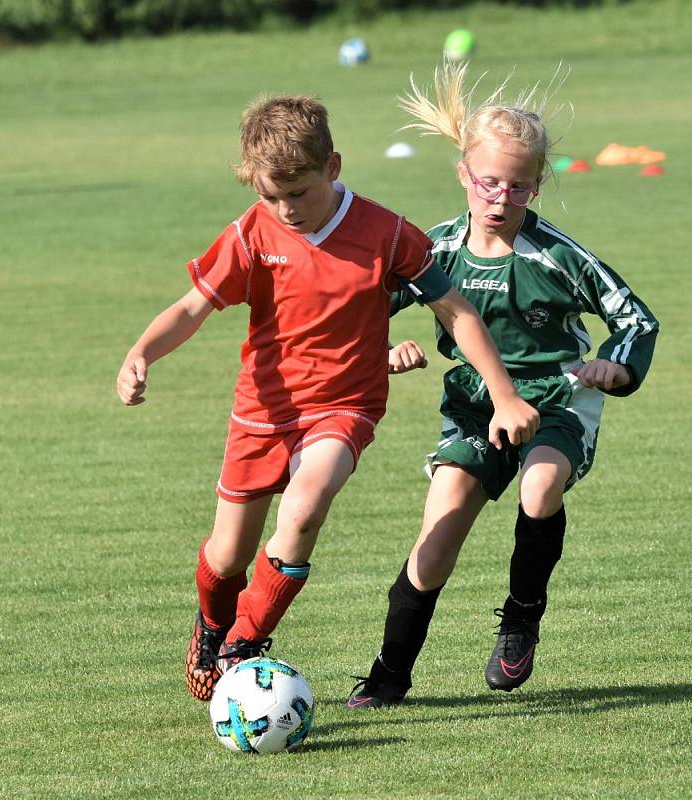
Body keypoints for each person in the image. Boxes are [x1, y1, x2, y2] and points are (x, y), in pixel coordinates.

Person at [116, 93, 539, 702]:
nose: (287, 209)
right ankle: (213, 623)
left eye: (300, 194)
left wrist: (503, 394)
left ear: (333, 167)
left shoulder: (387, 233)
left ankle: (245, 641)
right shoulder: (250, 233)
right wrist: (141, 353)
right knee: (228, 552)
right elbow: (192, 306)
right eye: (271, 196)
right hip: (263, 410)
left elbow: (456, 310)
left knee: (308, 502)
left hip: (344, 406)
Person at [346, 63, 659, 708]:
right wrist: (384, 349)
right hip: (471, 408)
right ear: (464, 174)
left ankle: (520, 618)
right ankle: (388, 675)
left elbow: (636, 318)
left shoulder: (559, 257)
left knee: (541, 484)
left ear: (537, 185)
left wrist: (615, 367)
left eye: (518, 187)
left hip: (556, 401)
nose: (500, 197)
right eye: (488, 181)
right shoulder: (432, 255)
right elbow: (356, 318)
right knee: (435, 544)